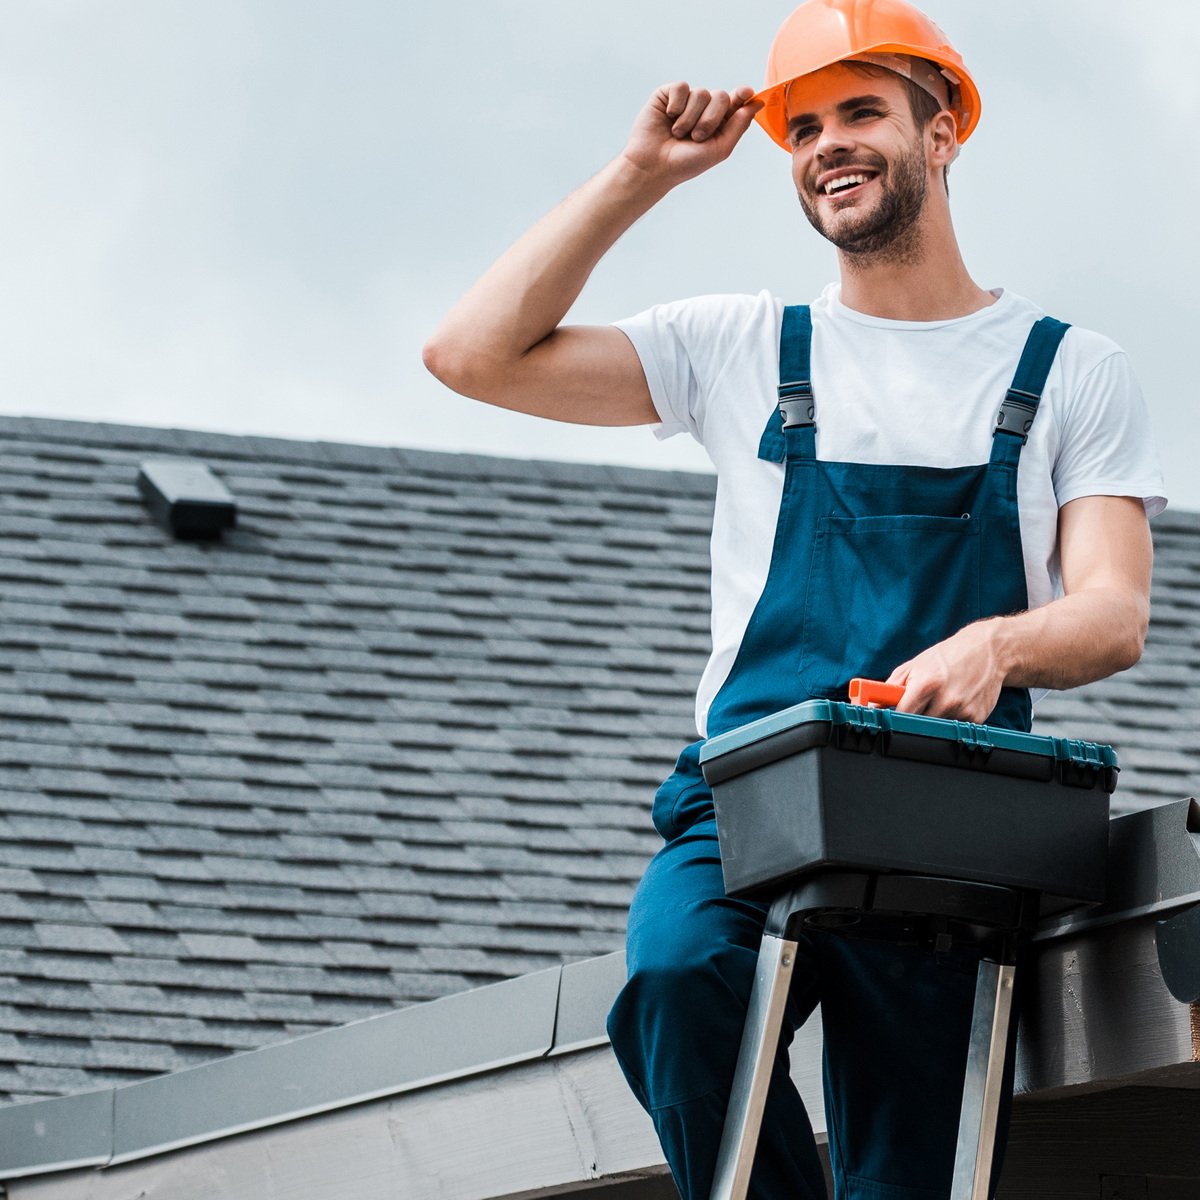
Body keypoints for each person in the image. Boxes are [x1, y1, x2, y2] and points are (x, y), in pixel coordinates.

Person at [423, 1, 1166, 1196]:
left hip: (945, 825)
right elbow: (470, 355)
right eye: (804, 127)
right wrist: (641, 174)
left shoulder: (1072, 370)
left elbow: (1114, 613)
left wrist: (995, 645)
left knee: (909, 1177)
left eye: (861, 112)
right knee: (676, 983)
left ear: (943, 131)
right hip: (751, 801)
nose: (828, 145)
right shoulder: (743, 347)